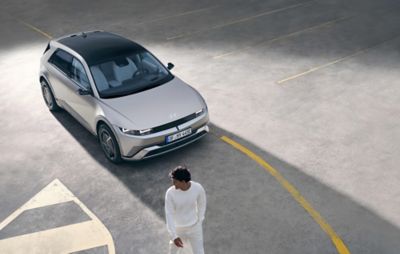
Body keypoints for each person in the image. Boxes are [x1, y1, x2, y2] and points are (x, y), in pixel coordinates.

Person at [165, 166, 206, 254]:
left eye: (175, 181)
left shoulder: (198, 188)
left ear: (183, 182)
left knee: (199, 251)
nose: (173, 184)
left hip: (195, 227)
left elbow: (202, 204)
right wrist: (174, 236)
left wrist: (199, 220)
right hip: (178, 229)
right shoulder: (170, 193)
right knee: (173, 251)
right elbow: (169, 214)